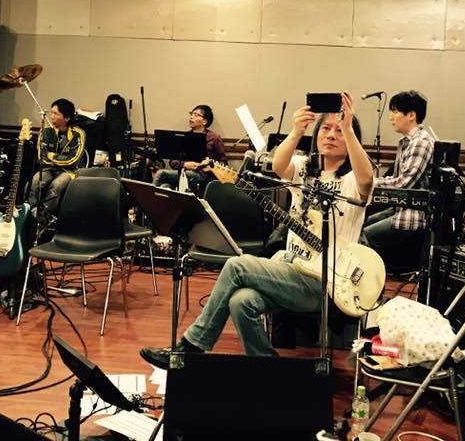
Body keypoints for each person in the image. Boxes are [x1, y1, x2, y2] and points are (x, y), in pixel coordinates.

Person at [140, 92, 372, 365]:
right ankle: (266, 365)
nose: (331, 135)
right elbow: (279, 165)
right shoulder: (304, 168)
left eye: (339, 130)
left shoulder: (353, 179)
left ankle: (189, 348)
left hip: (328, 280)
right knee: (241, 302)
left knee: (236, 266)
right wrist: (297, 130)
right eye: (325, 128)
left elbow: (366, 180)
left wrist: (349, 128)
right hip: (293, 265)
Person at [363, 90, 435, 270]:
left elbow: (404, 183)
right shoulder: (407, 141)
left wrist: (371, 182)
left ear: (411, 115)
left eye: (395, 111)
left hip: (414, 214)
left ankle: (373, 279)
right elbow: (396, 179)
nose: (390, 117)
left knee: (365, 237)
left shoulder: (421, 142)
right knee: (363, 224)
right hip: (401, 208)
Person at [152, 104, 226, 196]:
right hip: (183, 173)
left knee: (161, 173)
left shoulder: (214, 137)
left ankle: (146, 202)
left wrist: (209, 166)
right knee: (164, 186)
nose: (191, 117)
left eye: (196, 115)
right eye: (191, 114)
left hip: (203, 176)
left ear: (205, 121)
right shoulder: (184, 136)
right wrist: (185, 164)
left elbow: (223, 163)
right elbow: (173, 162)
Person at [27, 98, 85, 213]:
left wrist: (52, 156)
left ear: (66, 118)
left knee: (56, 185)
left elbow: (73, 160)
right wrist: (57, 159)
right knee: (34, 182)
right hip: (48, 169)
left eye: (56, 114)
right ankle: (31, 212)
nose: (52, 117)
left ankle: (46, 215)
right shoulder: (45, 131)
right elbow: (42, 158)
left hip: (69, 171)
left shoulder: (78, 133)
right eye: (51, 112)